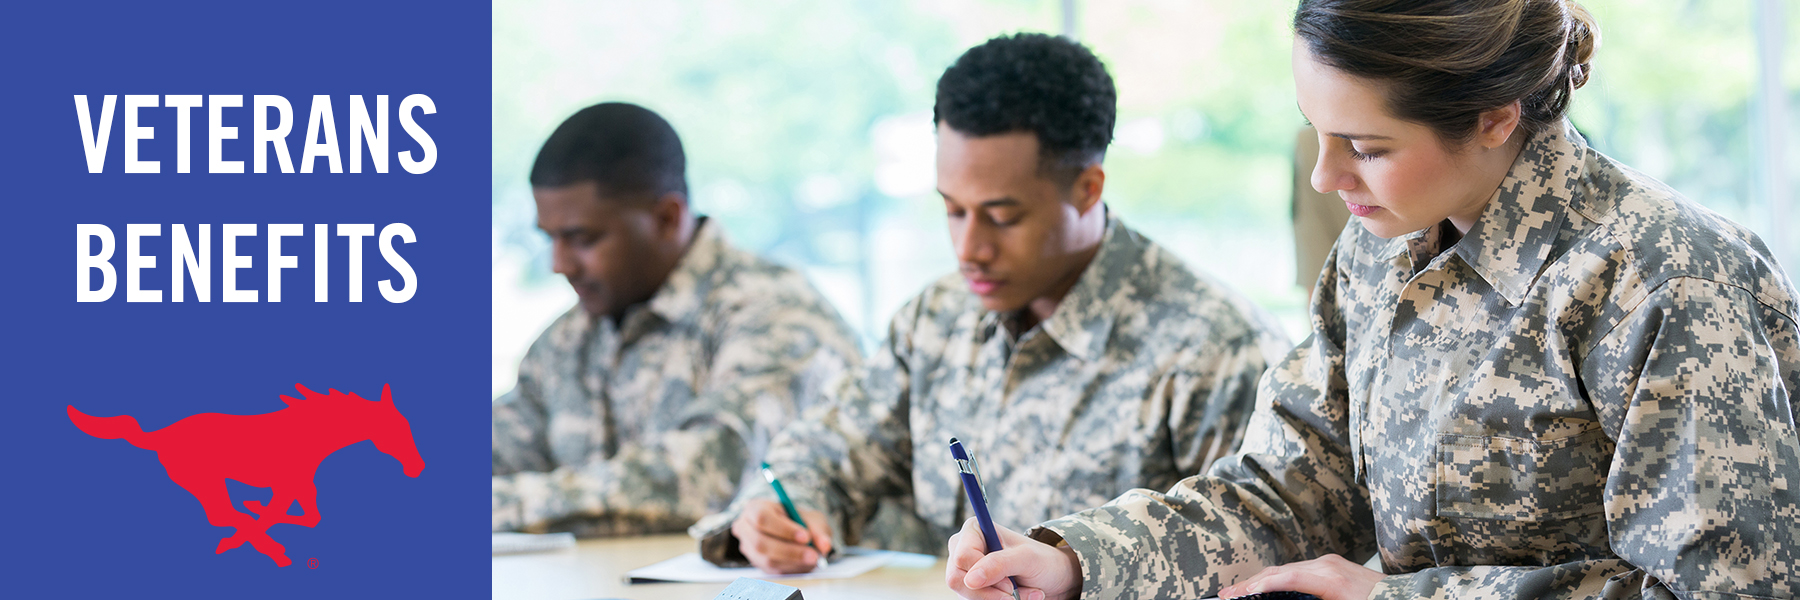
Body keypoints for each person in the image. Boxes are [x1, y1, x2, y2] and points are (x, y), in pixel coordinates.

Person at [947, 2, 1800, 599]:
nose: (1325, 177)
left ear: (1496, 117)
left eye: (1364, 145)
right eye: (1316, 132)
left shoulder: (1664, 278)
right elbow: (1288, 490)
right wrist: (1073, 561)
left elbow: (1728, 590)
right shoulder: (1380, 246)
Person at [688, 33, 1292, 574]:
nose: (968, 247)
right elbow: (826, 454)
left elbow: (1251, 555)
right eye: (952, 209)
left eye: (1002, 217)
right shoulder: (938, 318)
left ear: (1087, 188)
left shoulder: (1213, 348)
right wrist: (780, 515)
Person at [492, 102, 862, 537]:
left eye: (581, 238)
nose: (559, 263)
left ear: (667, 218)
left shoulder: (776, 316)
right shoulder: (572, 337)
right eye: (550, 238)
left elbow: (705, 481)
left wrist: (499, 506)